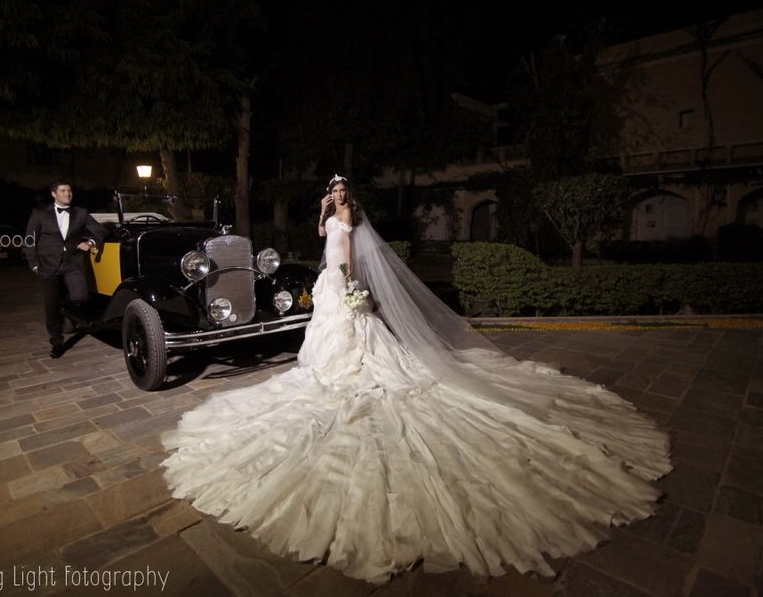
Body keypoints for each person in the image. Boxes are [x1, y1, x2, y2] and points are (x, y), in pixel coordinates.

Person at [162, 174, 671, 584]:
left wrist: (354, 285)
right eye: (334, 192)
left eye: (341, 192)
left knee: (357, 334)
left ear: (349, 195)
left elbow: (353, 252)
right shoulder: (329, 214)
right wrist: (320, 217)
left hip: (344, 282)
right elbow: (324, 240)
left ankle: (351, 366)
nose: (338, 198)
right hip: (330, 278)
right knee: (328, 337)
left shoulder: (350, 214)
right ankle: (330, 365)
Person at [23, 180, 107, 358]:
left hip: (72, 262)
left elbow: (99, 231)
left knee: (81, 296)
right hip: (47, 264)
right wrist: (34, 264)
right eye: (63, 191)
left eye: (69, 191)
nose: (67, 194)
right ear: (54, 194)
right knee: (51, 305)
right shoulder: (39, 213)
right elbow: (30, 240)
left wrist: (90, 242)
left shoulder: (81, 213)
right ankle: (56, 341)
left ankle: (67, 313)